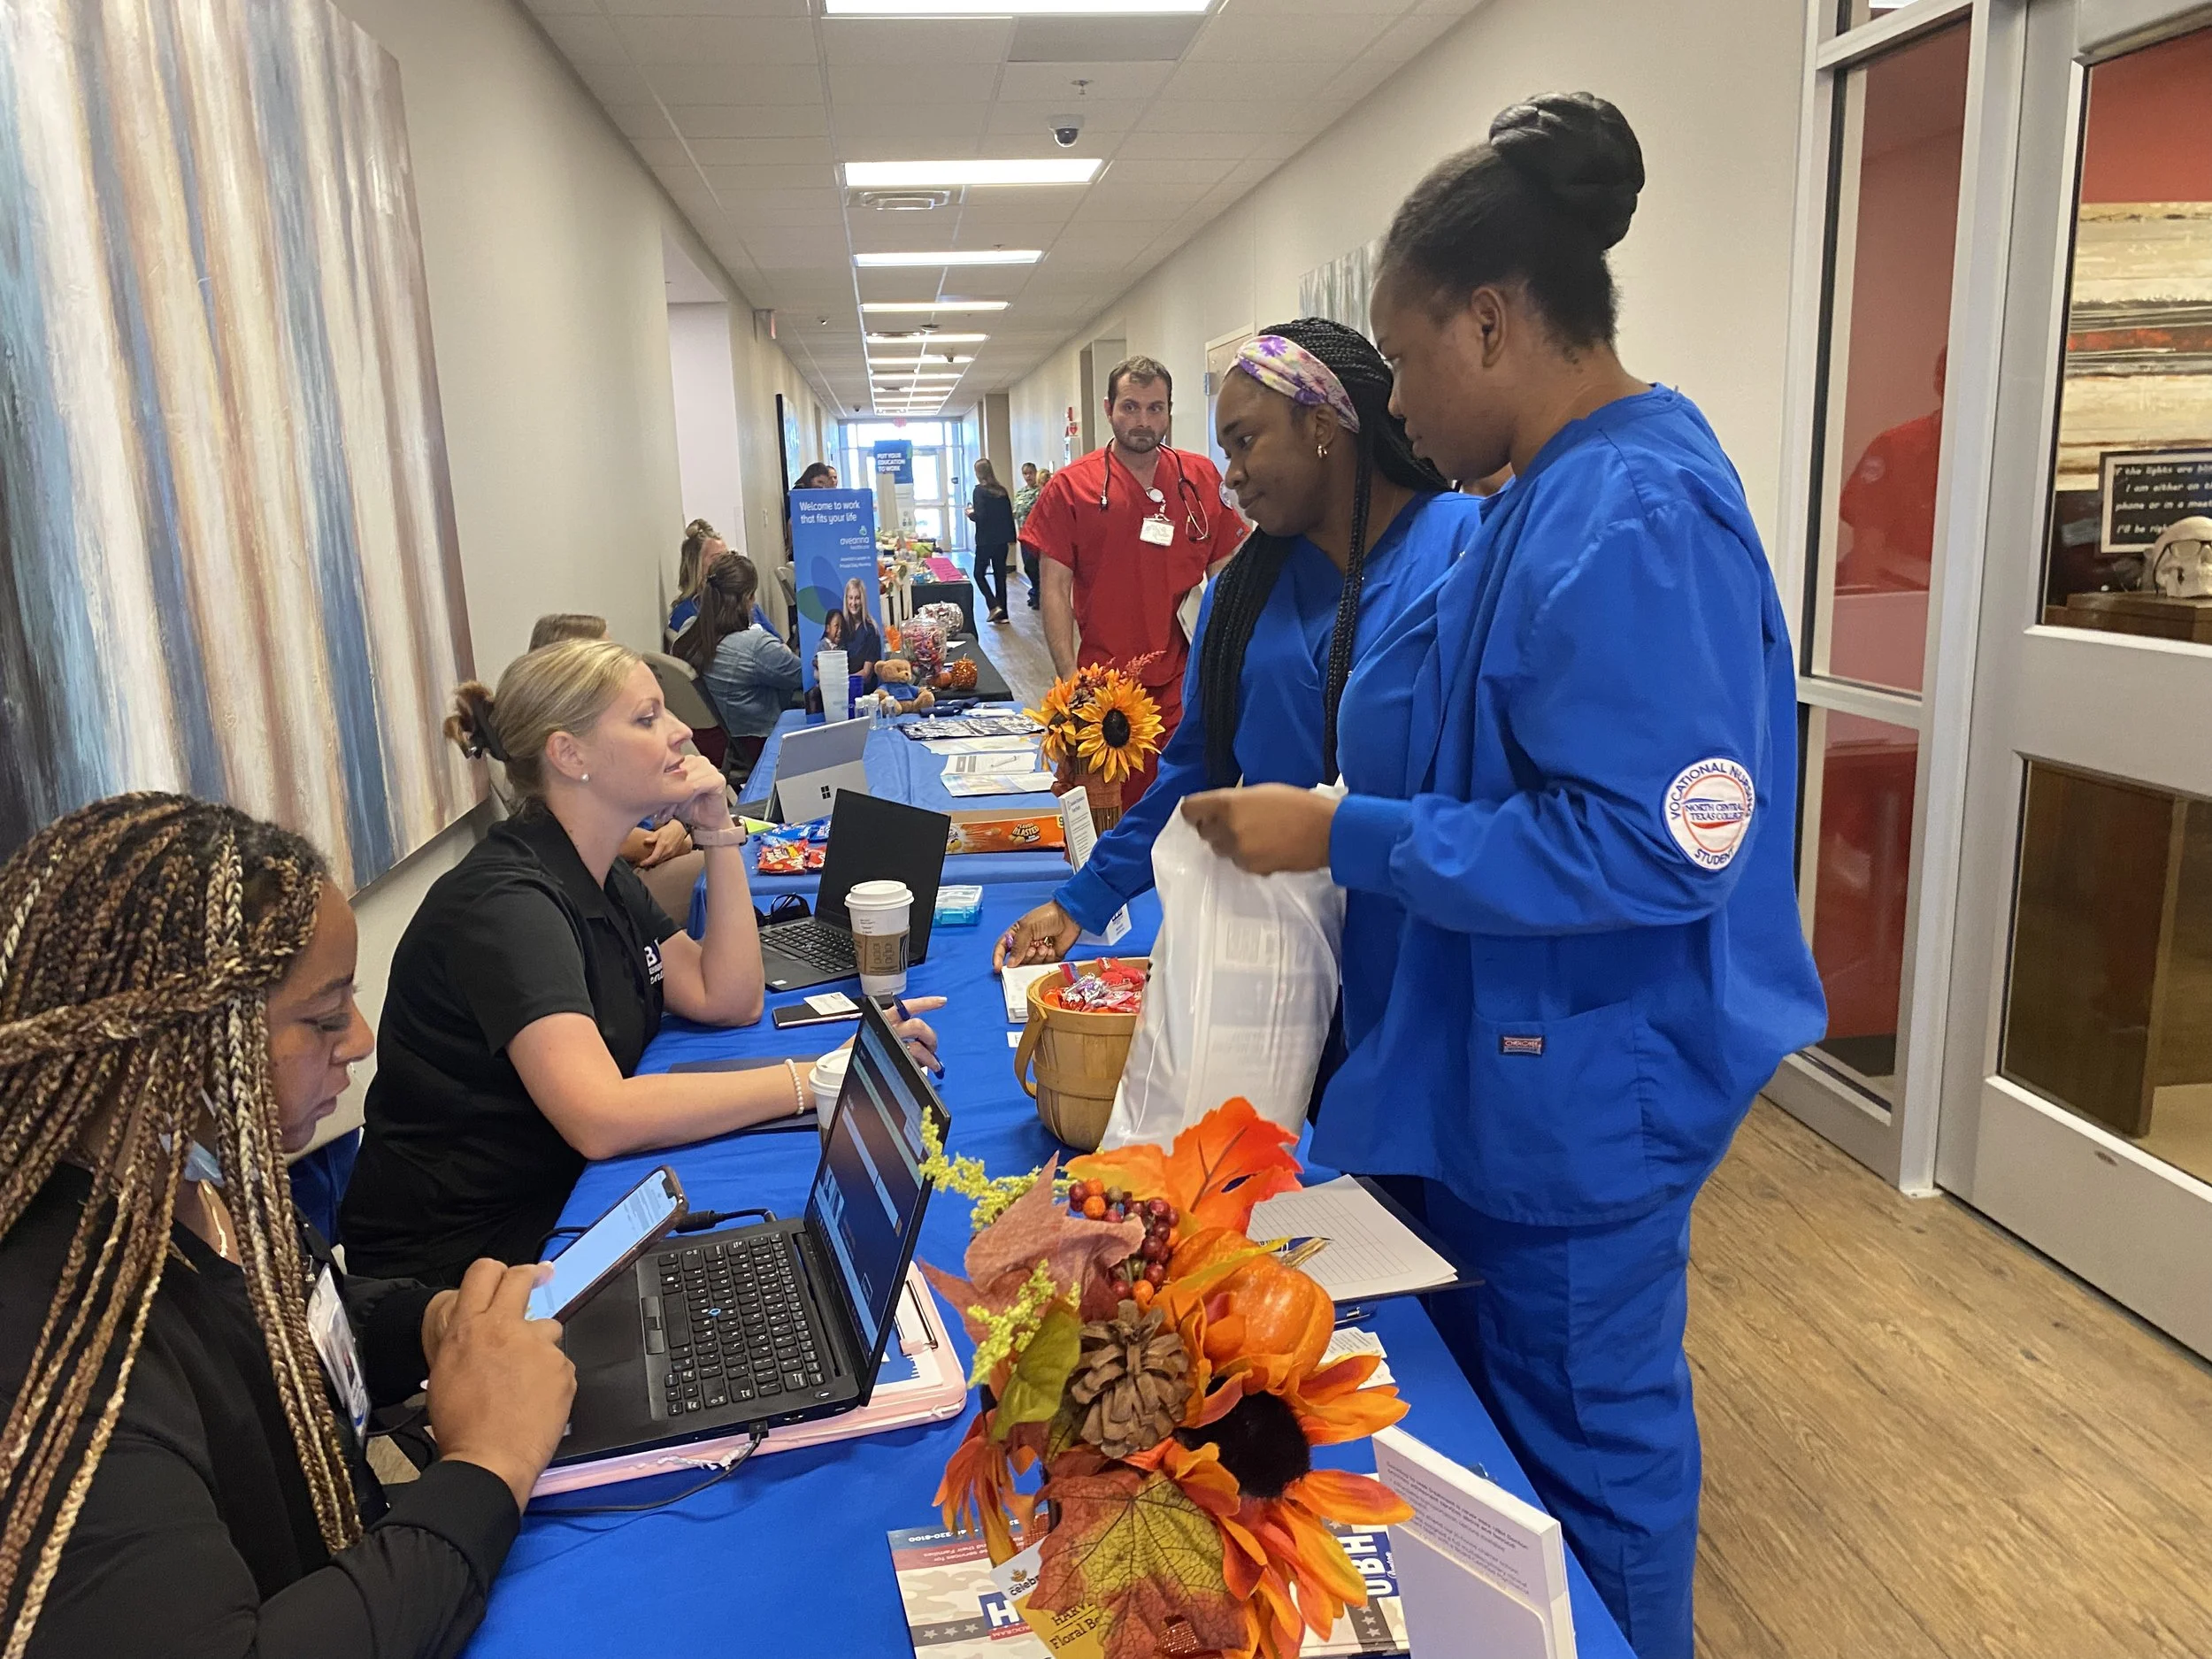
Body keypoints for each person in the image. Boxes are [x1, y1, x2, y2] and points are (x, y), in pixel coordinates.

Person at [1179, 96, 1825, 1659]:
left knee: (1588, 1464)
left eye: (1401, 362)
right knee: (1487, 1463)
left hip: (1585, 1104)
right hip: (1498, 1076)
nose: (1397, 399)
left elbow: (1653, 842)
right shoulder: (1530, 501)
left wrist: (1348, 834)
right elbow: (1495, 774)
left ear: (1491, 319)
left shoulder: (1638, 507)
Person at [0, 793, 575, 1657]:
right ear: (181, 1045)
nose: (361, 1037)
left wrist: (430, 1325)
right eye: (322, 1016)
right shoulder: (56, 1342)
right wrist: (486, 1468)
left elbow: (290, 1320)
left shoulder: (201, 1189)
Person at [340, 639, 942, 1284]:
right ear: (569, 755)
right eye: (648, 717)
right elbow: (603, 1117)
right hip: (465, 1267)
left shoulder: (594, 869)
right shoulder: (506, 906)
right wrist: (813, 1076)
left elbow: (728, 996)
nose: (683, 731)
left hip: (550, 1205)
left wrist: (716, 829)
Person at [994, 318, 1479, 969]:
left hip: (1438, 944)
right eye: (1226, 449)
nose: (1232, 476)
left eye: (1246, 442)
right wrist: (1083, 897)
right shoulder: (1243, 596)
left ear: (1322, 425)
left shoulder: (1467, 550)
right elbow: (1193, 774)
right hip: (1284, 956)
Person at [1020, 357, 1247, 801]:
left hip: (1186, 678)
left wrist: (1226, 663)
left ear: (1168, 411)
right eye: (1130, 407)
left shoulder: (1198, 477)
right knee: (1109, 812)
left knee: (1186, 805)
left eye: (1155, 408)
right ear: (1108, 409)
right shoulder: (1072, 488)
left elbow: (1225, 572)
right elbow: (1054, 589)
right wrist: (1069, 681)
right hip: (1104, 688)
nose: (1143, 421)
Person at [527, 612, 703, 912]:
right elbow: (621, 839)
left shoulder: (600, 738)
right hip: (629, 873)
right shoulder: (563, 756)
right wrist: (683, 835)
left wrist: (679, 827)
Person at [679, 550, 803, 775]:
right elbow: (805, 676)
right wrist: (783, 649)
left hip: (713, 743)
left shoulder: (687, 632)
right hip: (758, 743)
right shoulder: (756, 646)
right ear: (747, 598)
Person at [968, 457, 1018, 624]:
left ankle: (993, 605)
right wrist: (1011, 537)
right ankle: (1003, 615)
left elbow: (981, 516)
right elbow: (1008, 516)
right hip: (1002, 540)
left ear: (979, 473)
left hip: (985, 540)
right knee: (999, 576)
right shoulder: (1002, 491)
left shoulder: (979, 491)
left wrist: (971, 515)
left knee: (978, 574)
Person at [669, 519, 725, 636]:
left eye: (728, 557)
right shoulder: (687, 613)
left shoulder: (742, 601)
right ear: (696, 566)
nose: (728, 563)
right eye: (717, 558)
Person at [829, 574, 883, 684]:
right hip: (840, 682)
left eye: (857, 598)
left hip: (861, 687)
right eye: (850, 598)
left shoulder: (871, 630)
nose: (853, 603)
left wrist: (842, 681)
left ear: (863, 600)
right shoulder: (841, 626)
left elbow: (866, 675)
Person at [1011, 463, 1046, 608]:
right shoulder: (1021, 493)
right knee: (1028, 567)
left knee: (1035, 566)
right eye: (1025, 473)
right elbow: (1016, 512)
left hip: (1037, 535)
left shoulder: (1040, 492)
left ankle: (1039, 595)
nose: (1028, 476)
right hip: (1024, 535)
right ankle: (1034, 592)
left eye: (1030, 473)